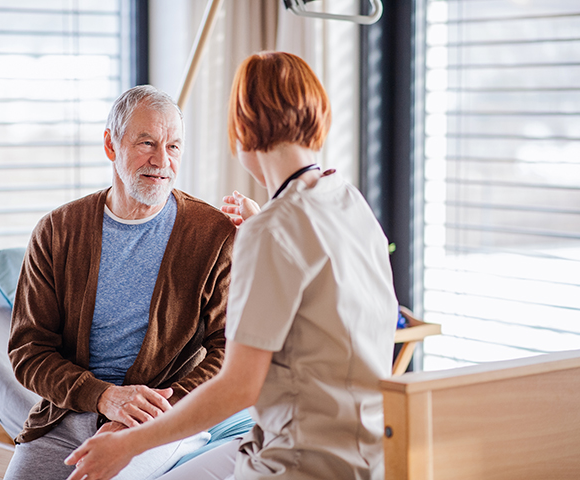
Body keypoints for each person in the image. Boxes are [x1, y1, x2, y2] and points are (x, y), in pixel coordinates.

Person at [63, 51, 399, 480]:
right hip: (370, 453)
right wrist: (263, 226)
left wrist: (127, 444)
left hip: (298, 463)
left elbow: (239, 386)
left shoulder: (272, 233)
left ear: (242, 130)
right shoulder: (347, 200)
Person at [3, 85, 238, 480]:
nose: (162, 160)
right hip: (68, 414)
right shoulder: (56, 232)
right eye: (147, 143)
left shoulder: (212, 233)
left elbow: (228, 347)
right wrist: (106, 398)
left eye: (174, 147)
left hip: (166, 416)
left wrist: (150, 414)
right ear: (111, 145)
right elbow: (28, 351)